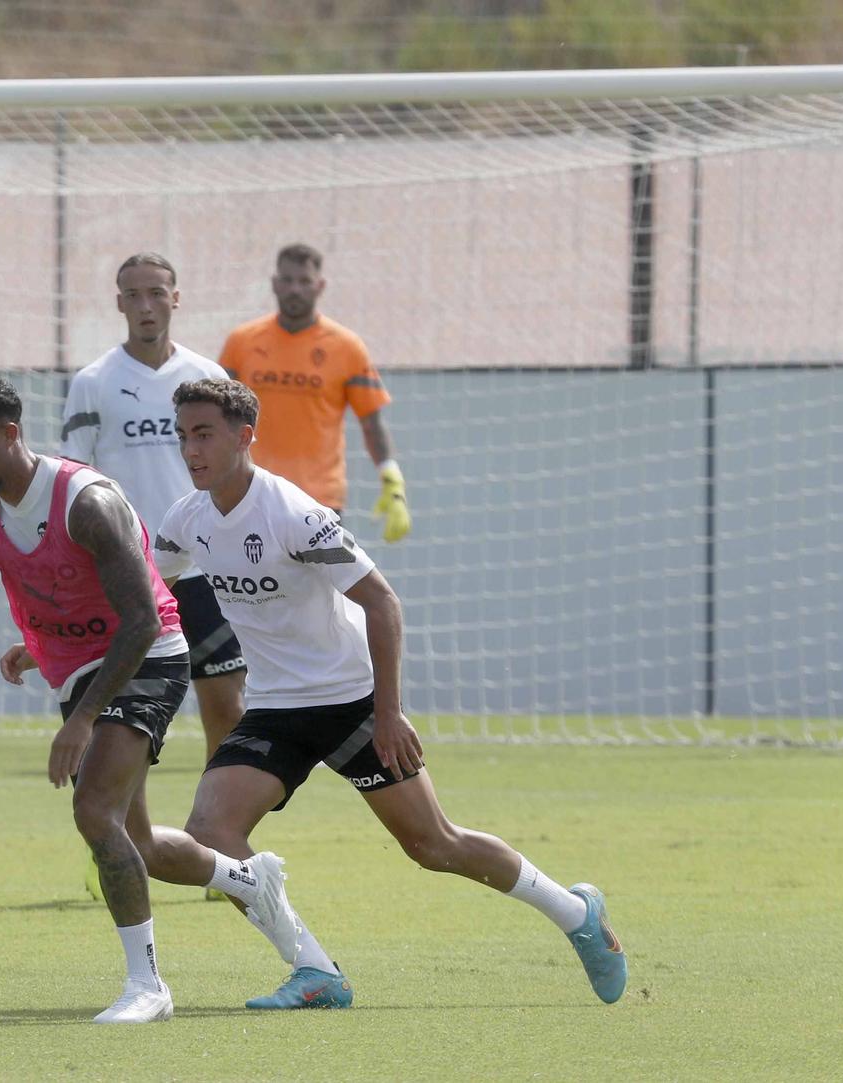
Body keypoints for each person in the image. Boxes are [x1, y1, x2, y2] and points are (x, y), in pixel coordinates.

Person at [0, 374, 313, 1024]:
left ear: (9, 433)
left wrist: (81, 720)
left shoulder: (85, 501)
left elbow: (140, 617)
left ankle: (148, 986)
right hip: (81, 670)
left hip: (149, 655)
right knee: (140, 842)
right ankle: (248, 878)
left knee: (94, 810)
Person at [157, 377, 628, 1008]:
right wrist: (51, 645)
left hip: (352, 700)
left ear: (245, 436)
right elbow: (143, 597)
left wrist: (388, 712)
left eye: (204, 434)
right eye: (183, 435)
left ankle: (576, 913)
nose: (191, 450)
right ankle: (316, 972)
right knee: (213, 831)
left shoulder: (294, 513)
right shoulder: (184, 520)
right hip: (274, 707)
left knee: (434, 845)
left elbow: (382, 602)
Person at [62, 252, 249, 903]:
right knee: (125, 721)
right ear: (119, 302)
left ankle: (221, 842)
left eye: (156, 293)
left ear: (176, 297)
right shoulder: (93, 382)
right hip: (128, 578)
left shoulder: (206, 375)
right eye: (132, 294)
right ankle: (114, 842)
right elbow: (75, 481)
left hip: (201, 571)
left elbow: (231, 472)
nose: (146, 304)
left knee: (226, 709)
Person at [217, 243, 411, 541]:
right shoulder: (241, 342)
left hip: (320, 499)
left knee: (323, 587)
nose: (295, 289)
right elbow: (218, 414)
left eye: (304, 281)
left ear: (320, 286)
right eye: (288, 280)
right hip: (249, 492)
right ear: (274, 284)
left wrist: (391, 477)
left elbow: (370, 421)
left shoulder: (347, 347)